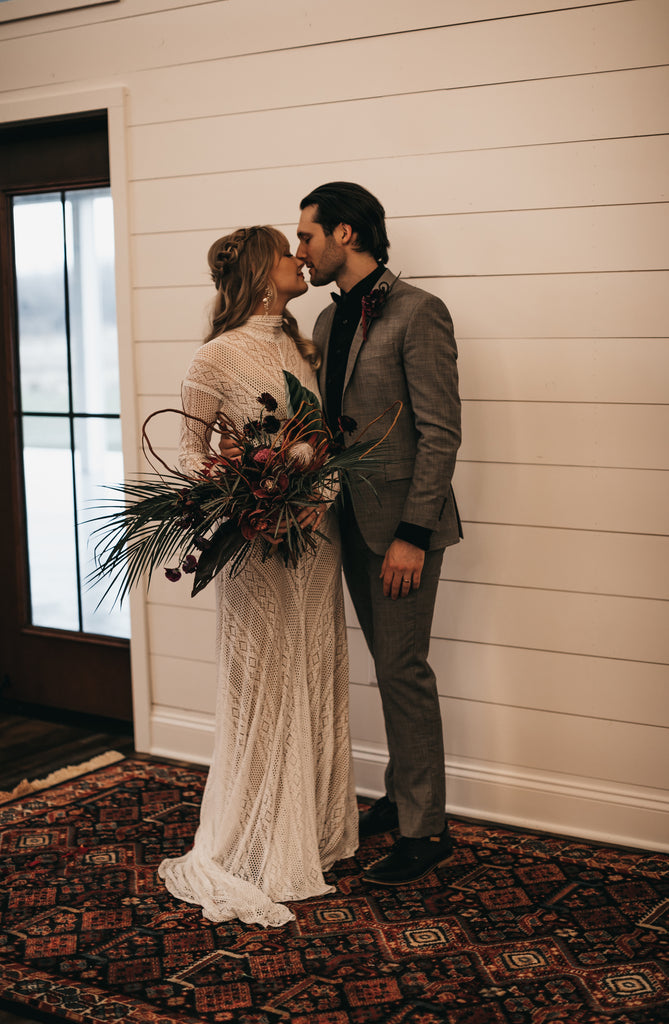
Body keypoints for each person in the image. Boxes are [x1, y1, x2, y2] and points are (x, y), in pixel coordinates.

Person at [158, 226, 358, 928]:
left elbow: (326, 442)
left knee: (312, 668)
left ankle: (310, 832)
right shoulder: (214, 358)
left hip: (316, 536)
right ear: (259, 270)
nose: (298, 259)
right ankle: (255, 838)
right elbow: (187, 455)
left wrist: (317, 494)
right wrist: (248, 491)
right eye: (285, 252)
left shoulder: (305, 347)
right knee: (265, 678)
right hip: (259, 544)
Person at [296, 182, 462, 886]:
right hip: (342, 523)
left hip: (400, 529)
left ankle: (426, 831)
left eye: (305, 235)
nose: (298, 250)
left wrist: (411, 534)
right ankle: (398, 798)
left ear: (345, 234)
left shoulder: (418, 312)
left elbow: (440, 433)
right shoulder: (327, 325)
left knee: (402, 669)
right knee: (385, 665)